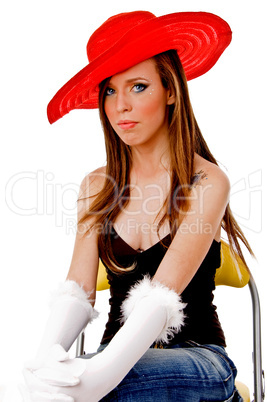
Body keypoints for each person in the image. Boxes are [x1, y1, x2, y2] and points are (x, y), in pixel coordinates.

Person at [22, 10, 254, 401]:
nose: (120, 106)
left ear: (172, 91)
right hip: (111, 356)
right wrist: (48, 357)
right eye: (110, 90)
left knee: (81, 389)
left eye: (138, 87)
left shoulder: (207, 181)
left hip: (199, 359)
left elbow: (161, 296)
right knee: (51, 384)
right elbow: (78, 290)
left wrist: (95, 378)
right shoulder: (96, 185)